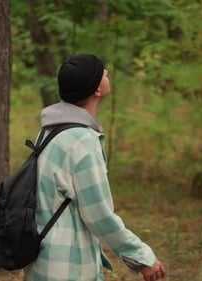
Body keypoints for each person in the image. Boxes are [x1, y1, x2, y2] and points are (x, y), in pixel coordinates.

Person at [23, 54, 167, 281]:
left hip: (42, 262)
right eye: (102, 72)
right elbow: (99, 214)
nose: (107, 73)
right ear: (96, 91)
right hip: (68, 268)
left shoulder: (50, 130)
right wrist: (142, 258)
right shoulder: (82, 140)